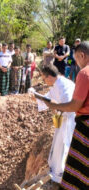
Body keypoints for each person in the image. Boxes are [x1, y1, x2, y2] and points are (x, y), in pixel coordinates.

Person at [43, 41, 89, 190]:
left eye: (76, 59)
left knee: (77, 167)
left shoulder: (84, 73)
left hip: (84, 126)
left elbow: (75, 105)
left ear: (82, 55)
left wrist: (54, 106)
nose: (76, 63)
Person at [36, 65, 76, 183]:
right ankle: (55, 172)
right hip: (62, 119)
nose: (44, 81)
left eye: (44, 78)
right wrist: (36, 98)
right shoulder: (56, 84)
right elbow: (49, 98)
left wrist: (56, 109)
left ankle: (61, 175)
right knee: (58, 144)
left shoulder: (64, 85)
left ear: (49, 77)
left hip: (69, 120)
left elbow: (68, 105)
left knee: (64, 145)